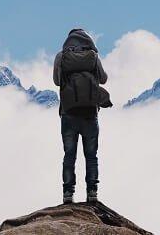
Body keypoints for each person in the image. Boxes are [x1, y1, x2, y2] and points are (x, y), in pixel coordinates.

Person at [53, 28, 109, 204]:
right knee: (91, 156)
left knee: (69, 155)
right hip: (90, 114)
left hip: (68, 114)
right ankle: (92, 192)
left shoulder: (61, 57)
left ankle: (68, 194)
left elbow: (56, 80)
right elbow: (104, 79)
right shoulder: (93, 56)